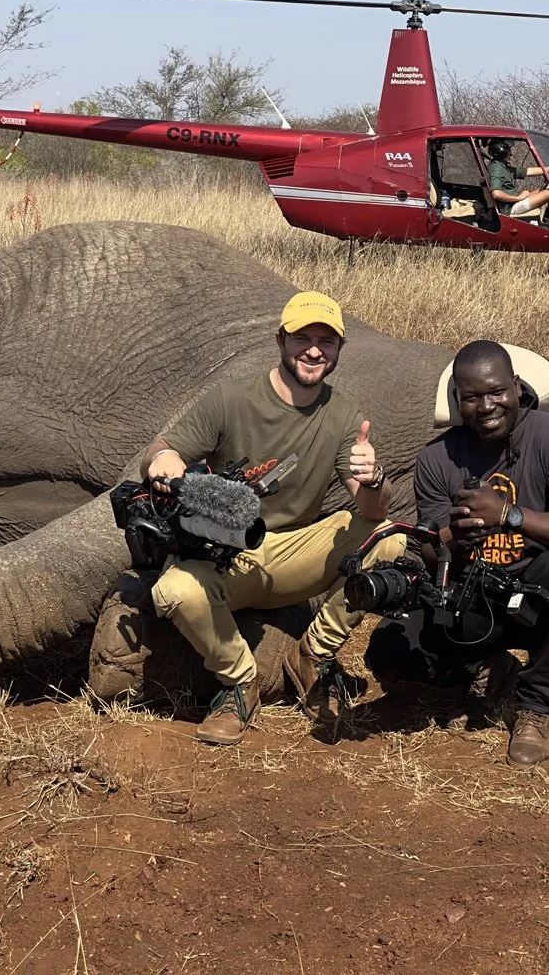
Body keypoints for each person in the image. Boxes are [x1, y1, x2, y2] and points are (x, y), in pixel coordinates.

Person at [141, 291, 408, 746]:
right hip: (228, 554)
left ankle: (311, 654)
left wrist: (375, 477)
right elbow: (162, 448)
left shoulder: (344, 416)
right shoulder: (232, 398)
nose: (314, 350)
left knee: (388, 537)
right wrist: (164, 459)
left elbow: (369, 510)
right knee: (174, 590)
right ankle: (239, 684)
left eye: (327, 341)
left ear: (339, 350)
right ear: (280, 340)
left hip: (293, 553)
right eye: (302, 337)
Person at [399, 340, 549, 765]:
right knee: (391, 648)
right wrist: (453, 539)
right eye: (472, 397)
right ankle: (490, 665)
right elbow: (436, 559)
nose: (487, 406)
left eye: (496, 392)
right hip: (478, 596)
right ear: (458, 400)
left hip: (541, 600)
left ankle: (536, 705)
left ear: (517, 386)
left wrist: (508, 514)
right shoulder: (436, 459)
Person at [481, 138, 549, 222]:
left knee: (547, 189)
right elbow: (496, 194)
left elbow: (528, 171)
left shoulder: (503, 167)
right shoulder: (497, 169)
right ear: (502, 151)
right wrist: (518, 198)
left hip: (512, 203)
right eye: (509, 150)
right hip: (510, 208)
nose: (510, 153)